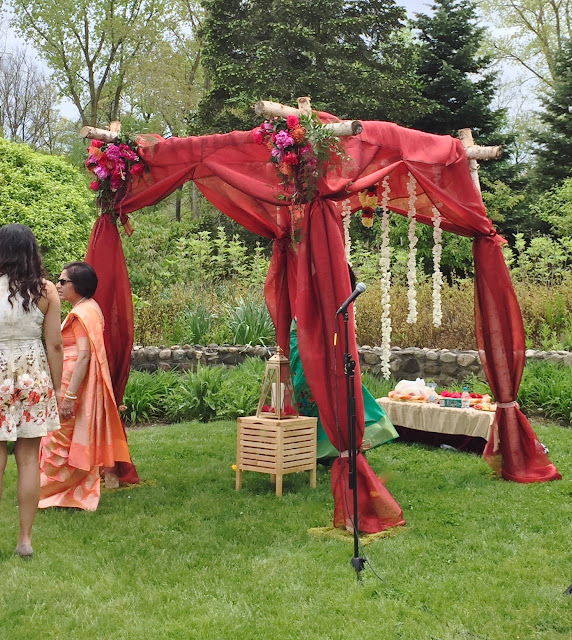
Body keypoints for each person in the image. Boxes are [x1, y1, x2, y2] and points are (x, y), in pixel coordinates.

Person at [39, 262, 133, 511]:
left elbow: (83, 355)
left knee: (56, 439)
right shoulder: (90, 308)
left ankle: (51, 494)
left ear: (77, 285)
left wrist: (68, 394)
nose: (57, 286)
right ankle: (70, 492)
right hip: (73, 381)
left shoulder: (81, 314)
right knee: (67, 439)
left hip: (72, 382)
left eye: (62, 282)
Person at [0, 224, 63, 558]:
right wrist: (57, 386)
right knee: (27, 459)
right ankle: (24, 540)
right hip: (31, 375)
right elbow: (54, 344)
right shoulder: (46, 290)